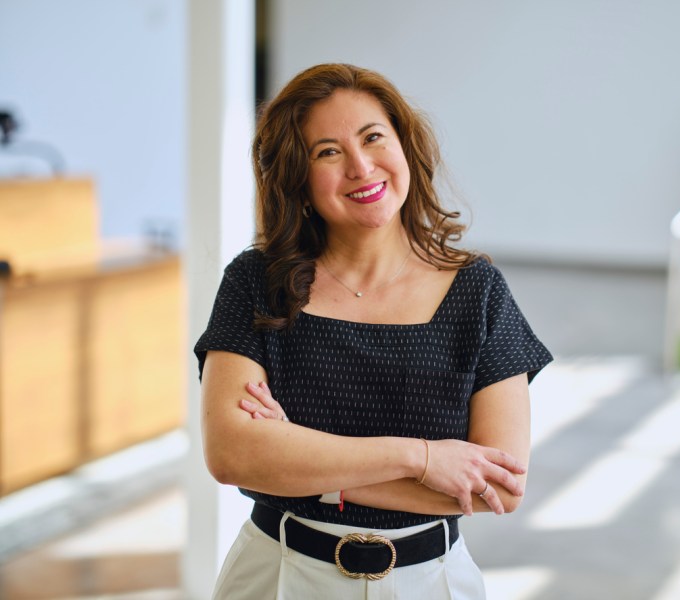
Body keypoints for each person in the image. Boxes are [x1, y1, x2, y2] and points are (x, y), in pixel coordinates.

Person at [194, 63, 553, 599]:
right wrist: (425, 459)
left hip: (431, 583)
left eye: (373, 137)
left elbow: (496, 487)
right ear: (297, 175)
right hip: (278, 575)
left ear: (404, 145)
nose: (361, 167)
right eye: (327, 152)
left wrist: (302, 463)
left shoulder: (478, 292)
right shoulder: (257, 281)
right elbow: (232, 456)